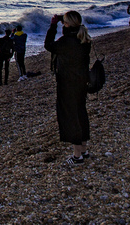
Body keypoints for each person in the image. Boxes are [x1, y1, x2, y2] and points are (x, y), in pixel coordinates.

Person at [44, 11, 92, 165]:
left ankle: (77, 155)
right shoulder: (83, 39)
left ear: (68, 25)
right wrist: (62, 22)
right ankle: (83, 150)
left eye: (64, 22)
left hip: (67, 83)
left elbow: (48, 45)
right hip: (81, 82)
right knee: (81, 113)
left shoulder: (66, 41)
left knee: (71, 117)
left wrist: (53, 26)